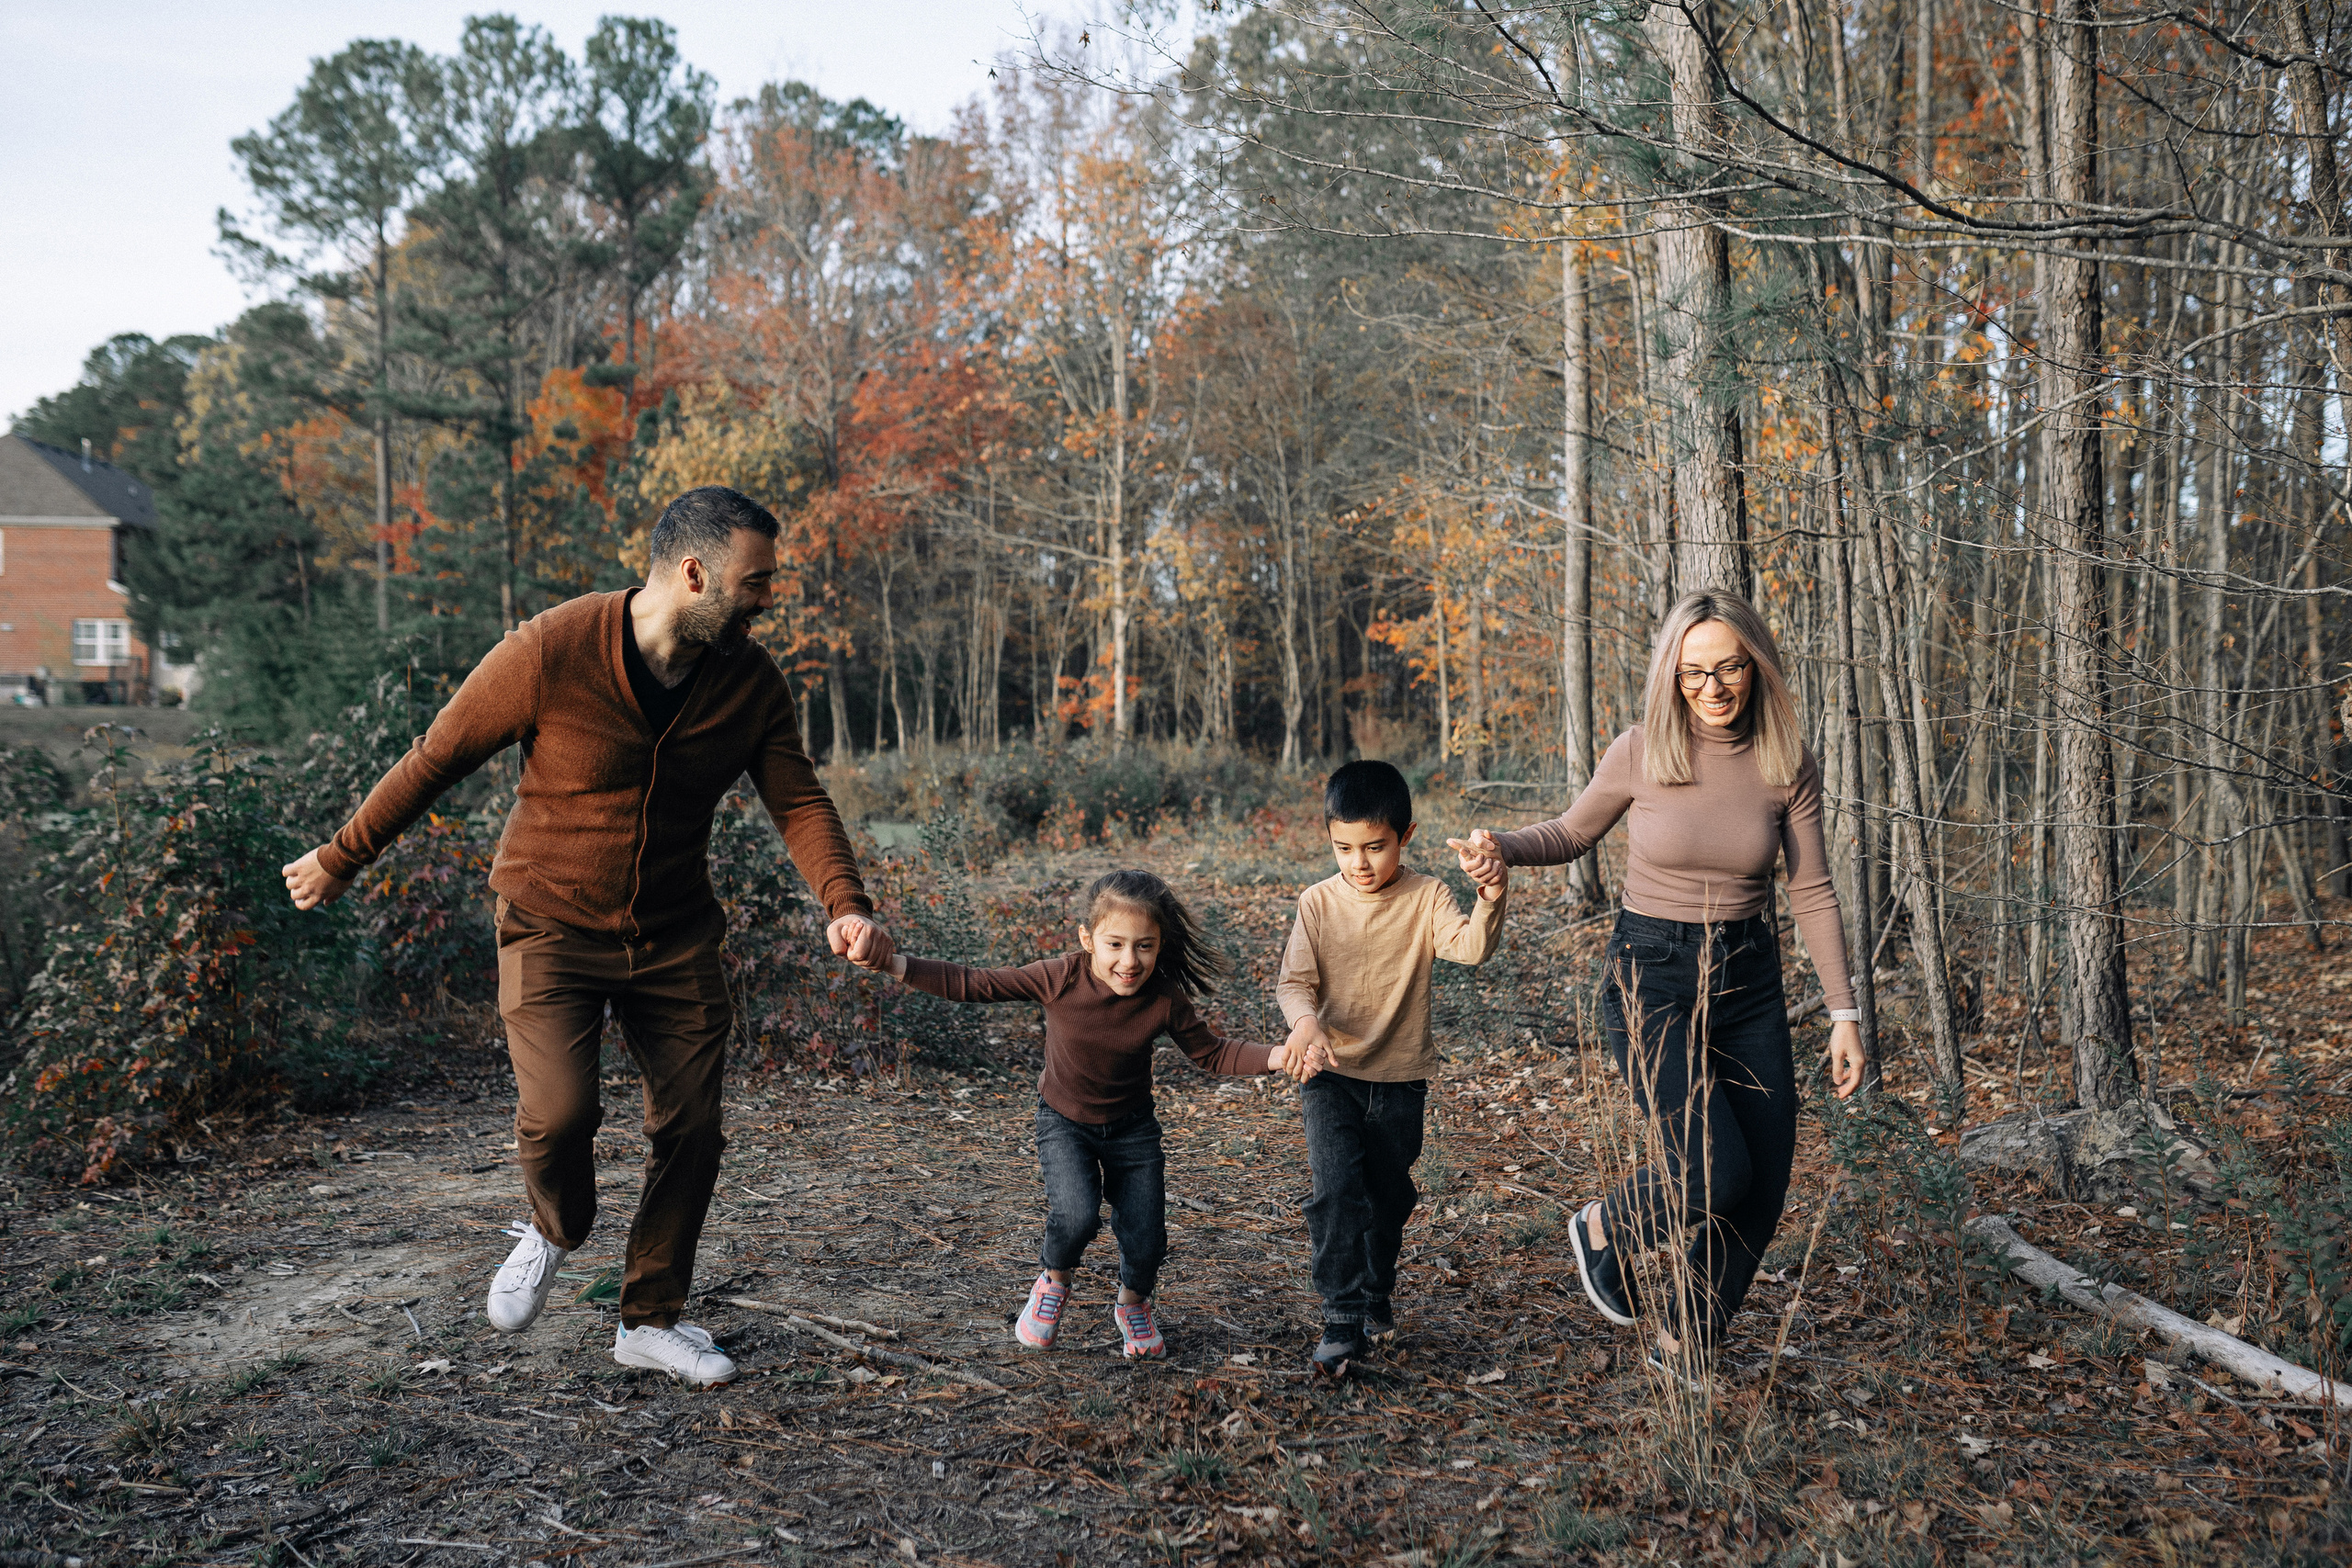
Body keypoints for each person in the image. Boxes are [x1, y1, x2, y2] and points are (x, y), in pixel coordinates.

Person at [280, 485, 891, 1391]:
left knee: (693, 1127)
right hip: (547, 924)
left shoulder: (749, 683)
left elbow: (795, 797)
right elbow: (438, 755)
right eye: (756, 581)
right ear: (694, 573)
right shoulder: (552, 649)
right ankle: (555, 1228)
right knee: (560, 1115)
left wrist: (843, 899)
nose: (770, 597)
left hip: (675, 935)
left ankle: (650, 1319)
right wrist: (341, 856)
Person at [1450, 588, 1866, 1369]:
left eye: (1729, 669)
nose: (1712, 689)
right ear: (1672, 676)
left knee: (1766, 1177)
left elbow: (1810, 888)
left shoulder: (1787, 760)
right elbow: (1572, 832)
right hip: (1652, 975)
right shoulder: (1642, 749)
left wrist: (1843, 1012)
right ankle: (1606, 1226)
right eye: (1693, 673)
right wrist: (1500, 845)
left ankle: (1686, 1339)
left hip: (1749, 981)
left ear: (1757, 665)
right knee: (1713, 1168)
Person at [875, 870, 1306, 1358]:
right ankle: (1054, 1281)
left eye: (1145, 946)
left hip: (1132, 1129)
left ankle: (1133, 1304)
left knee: (1147, 1235)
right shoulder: (1060, 977)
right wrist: (894, 962)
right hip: (1064, 1120)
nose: (1129, 961)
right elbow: (976, 984)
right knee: (1077, 1214)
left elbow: (1211, 1053)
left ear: (1160, 943)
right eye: (1115, 944)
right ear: (1087, 939)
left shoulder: (1163, 996)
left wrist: (1277, 1055)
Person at [1278, 761, 1509, 1374]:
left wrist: (1489, 895)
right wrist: (1305, 1025)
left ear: (1405, 836)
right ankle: (1342, 1316)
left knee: (1387, 1196)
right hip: (1329, 1076)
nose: (1359, 862)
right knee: (1334, 1191)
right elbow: (1294, 984)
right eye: (1344, 847)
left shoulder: (1427, 896)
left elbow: (1471, 947)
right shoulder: (1318, 903)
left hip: (1401, 1081)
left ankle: (1377, 1279)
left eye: (1374, 847)